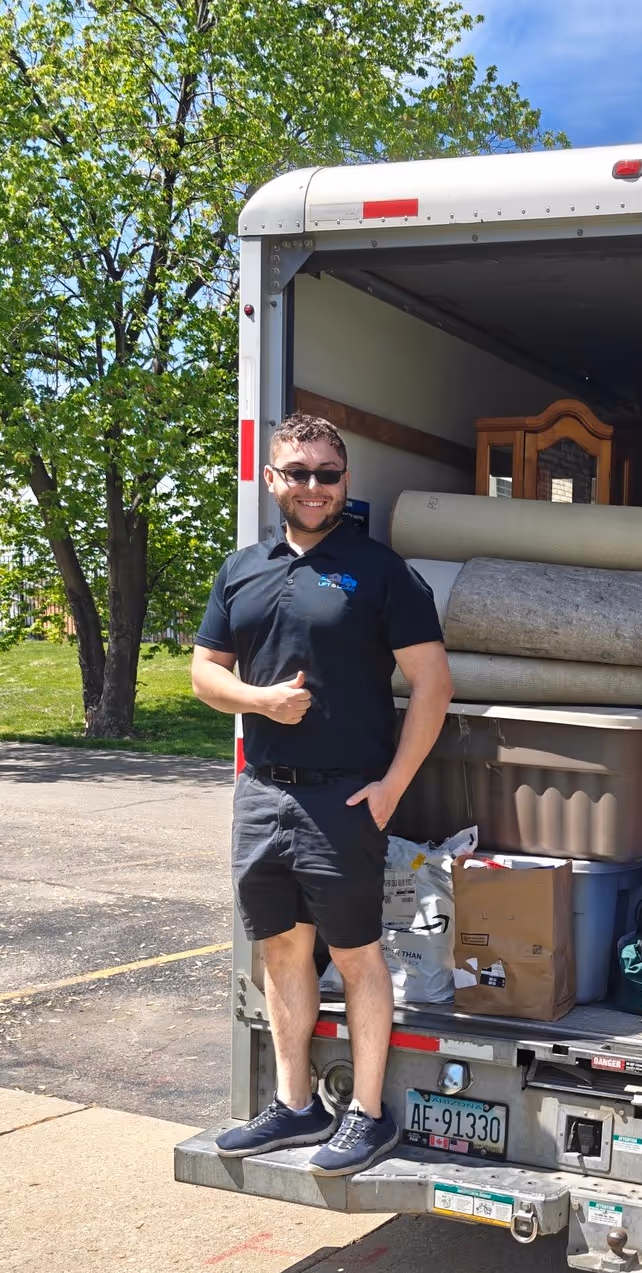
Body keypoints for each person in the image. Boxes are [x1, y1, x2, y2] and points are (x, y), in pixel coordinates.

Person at [192, 414, 452, 1176]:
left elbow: (433, 686)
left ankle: (367, 1115)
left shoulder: (381, 572)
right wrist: (260, 702)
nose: (311, 486)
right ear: (271, 479)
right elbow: (205, 673)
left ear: (345, 482)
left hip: (345, 801)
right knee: (279, 948)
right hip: (262, 793)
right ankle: (295, 1103)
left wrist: (390, 789)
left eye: (325, 474)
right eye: (296, 472)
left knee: (357, 954)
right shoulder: (242, 568)